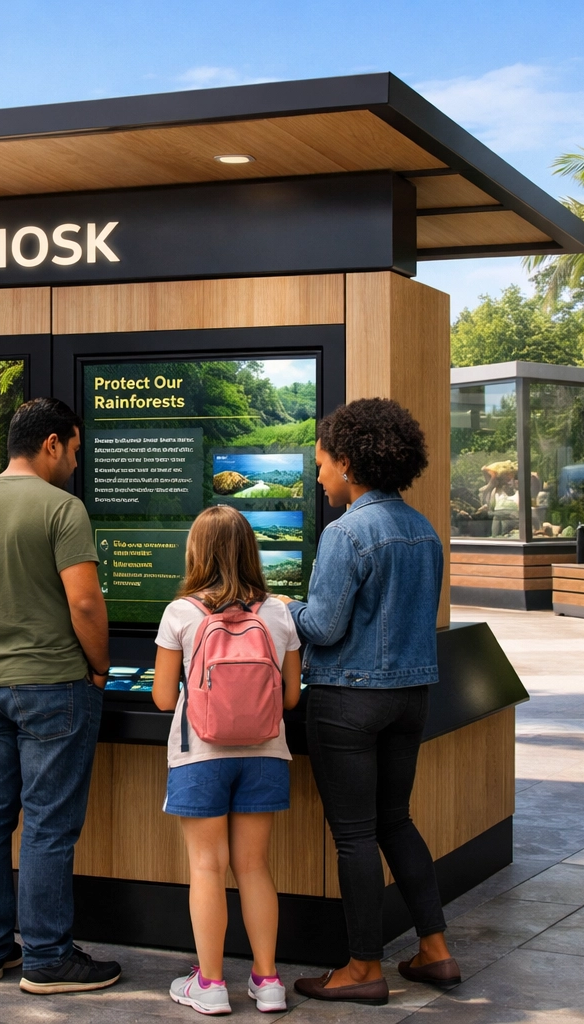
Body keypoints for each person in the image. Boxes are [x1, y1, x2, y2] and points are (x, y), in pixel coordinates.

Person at [0, 397, 120, 995]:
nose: (75, 461)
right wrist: (99, 667)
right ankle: (47, 957)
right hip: (53, 686)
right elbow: (85, 601)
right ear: (53, 443)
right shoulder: (63, 509)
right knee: (46, 823)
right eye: (75, 448)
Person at [286, 398, 458, 1005]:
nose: (319, 475)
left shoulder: (346, 532)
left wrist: (285, 609)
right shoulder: (423, 530)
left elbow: (326, 626)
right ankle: (434, 950)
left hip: (347, 703)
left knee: (354, 835)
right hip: (411, 698)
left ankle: (363, 968)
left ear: (350, 462)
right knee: (395, 821)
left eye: (324, 463)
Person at [152, 505, 301, 1016]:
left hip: (200, 756)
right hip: (265, 753)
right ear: (249, 549)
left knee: (207, 867)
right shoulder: (278, 613)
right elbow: (291, 698)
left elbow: (162, 698)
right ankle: (269, 981)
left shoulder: (181, 613)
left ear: (197, 551)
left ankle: (211, 984)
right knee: (255, 866)